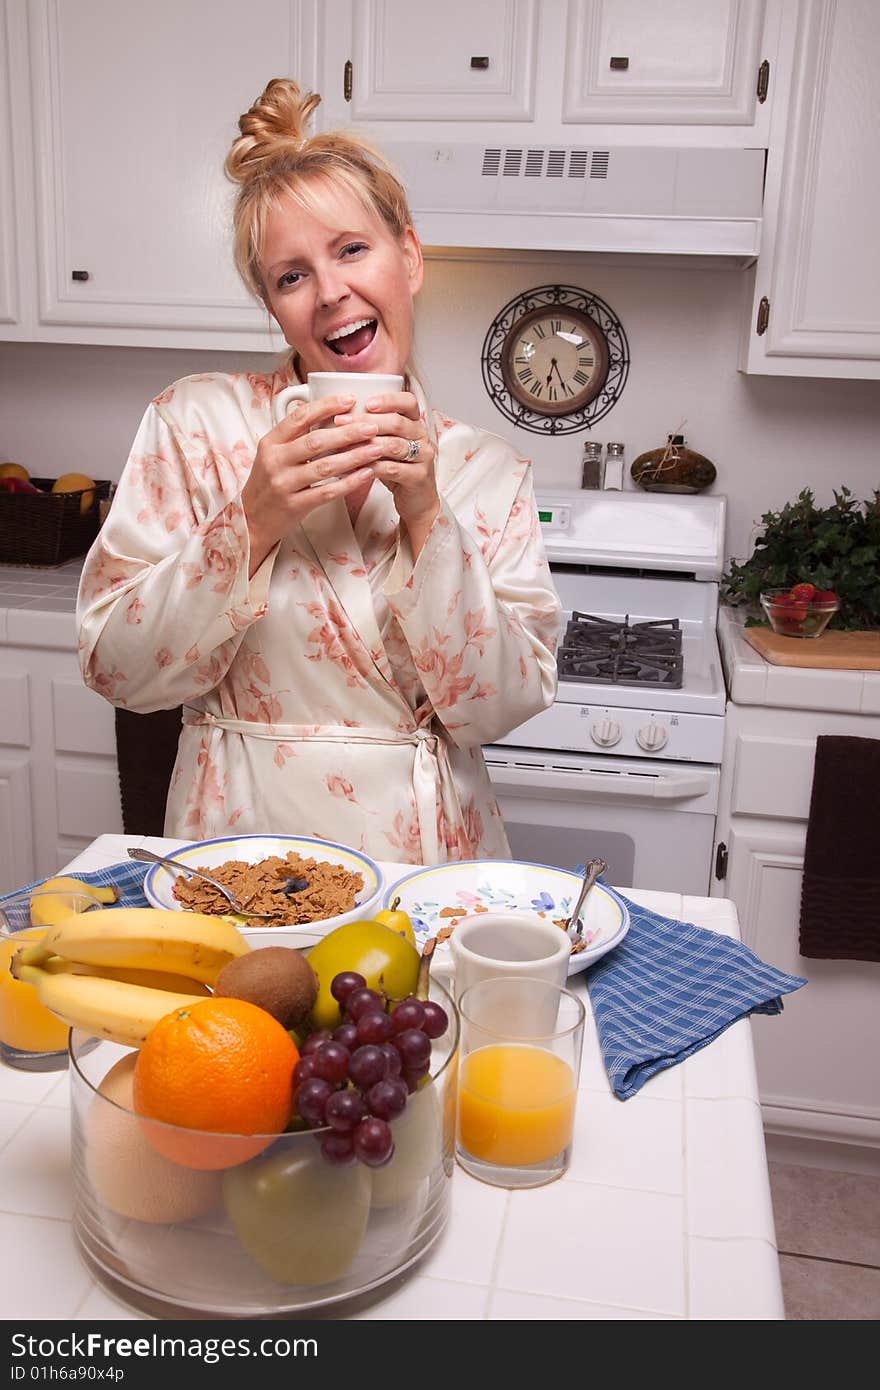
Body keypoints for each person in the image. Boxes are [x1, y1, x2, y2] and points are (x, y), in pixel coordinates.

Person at [76, 78, 561, 866]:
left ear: (408, 257)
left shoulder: (487, 471)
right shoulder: (196, 425)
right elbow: (117, 669)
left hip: (426, 869)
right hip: (239, 851)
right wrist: (254, 517)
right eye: (291, 275)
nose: (331, 292)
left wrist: (426, 517)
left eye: (352, 249)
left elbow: (496, 708)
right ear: (273, 305)